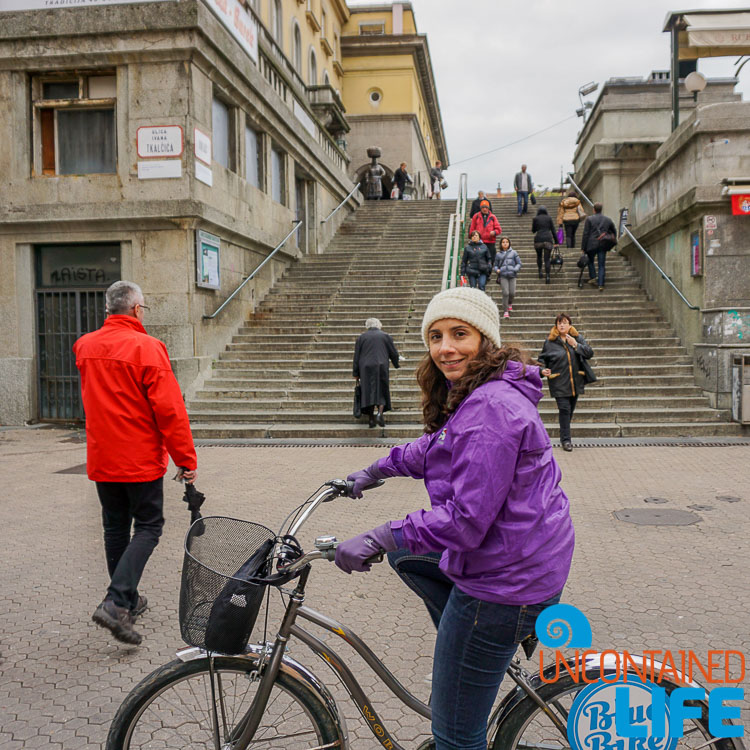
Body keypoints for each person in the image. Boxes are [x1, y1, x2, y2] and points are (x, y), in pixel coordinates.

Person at [336, 286, 574, 750]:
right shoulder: (484, 390)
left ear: (486, 338)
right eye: (436, 336)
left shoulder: (490, 408)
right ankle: (472, 648)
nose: (445, 348)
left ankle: (475, 646)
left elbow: (464, 521)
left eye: (460, 333)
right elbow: (438, 446)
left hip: (503, 585)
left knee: (455, 735)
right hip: (521, 559)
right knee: (408, 557)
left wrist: (380, 534)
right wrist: (376, 469)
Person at [73, 280, 197, 646]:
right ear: (137, 310)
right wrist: (186, 459)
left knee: (115, 529)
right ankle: (116, 600)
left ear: (109, 309)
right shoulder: (149, 348)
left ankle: (125, 601)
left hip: (102, 456)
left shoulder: (85, 346)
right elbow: (170, 411)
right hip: (139, 458)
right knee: (148, 527)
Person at [538, 313, 595, 452]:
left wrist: (575, 345)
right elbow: (541, 360)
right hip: (559, 381)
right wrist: (542, 370)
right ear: (556, 326)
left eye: (564, 322)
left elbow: (589, 353)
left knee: (570, 410)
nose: (562, 325)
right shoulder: (550, 342)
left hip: (575, 381)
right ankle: (566, 440)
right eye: (559, 323)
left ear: (570, 325)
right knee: (564, 409)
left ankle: (564, 432)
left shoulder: (577, 338)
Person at [353, 318, 401, 428]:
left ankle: (371, 419)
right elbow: (393, 353)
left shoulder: (361, 338)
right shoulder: (385, 336)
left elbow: (356, 356)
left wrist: (356, 372)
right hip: (381, 366)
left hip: (365, 367)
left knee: (367, 391)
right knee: (382, 389)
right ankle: (380, 413)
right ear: (379, 325)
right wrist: (396, 364)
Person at [581, 202, 617, 291]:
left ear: (594, 210)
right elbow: (614, 231)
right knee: (601, 264)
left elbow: (586, 234)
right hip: (603, 244)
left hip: (591, 244)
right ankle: (601, 284)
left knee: (590, 260)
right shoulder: (608, 220)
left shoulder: (589, 219)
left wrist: (583, 247)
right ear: (601, 209)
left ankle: (593, 276)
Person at [493, 236, 522, 318]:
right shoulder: (498, 254)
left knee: (512, 293)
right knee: (505, 293)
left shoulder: (514, 253)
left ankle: (510, 303)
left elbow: (519, 263)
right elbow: (495, 265)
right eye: (503, 242)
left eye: (506, 242)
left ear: (509, 243)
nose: (505, 243)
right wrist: (497, 270)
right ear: (501, 244)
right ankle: (505, 311)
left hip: (512, 275)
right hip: (503, 275)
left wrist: (515, 269)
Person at [468, 200, 502, 269]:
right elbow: (472, 229)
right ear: (480, 208)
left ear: (488, 208)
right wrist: (472, 237)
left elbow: (499, 229)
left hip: (490, 242)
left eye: (486, 207)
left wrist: (494, 232)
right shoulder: (476, 216)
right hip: (479, 242)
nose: (484, 209)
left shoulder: (493, 217)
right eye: (483, 207)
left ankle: (488, 273)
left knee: (491, 258)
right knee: (479, 259)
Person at [531, 205, 558, 284]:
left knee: (539, 256)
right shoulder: (549, 218)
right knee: (547, 259)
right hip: (548, 240)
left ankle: (540, 271)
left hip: (538, 239)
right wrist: (556, 242)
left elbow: (533, 230)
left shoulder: (535, 219)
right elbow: (553, 230)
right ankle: (548, 276)